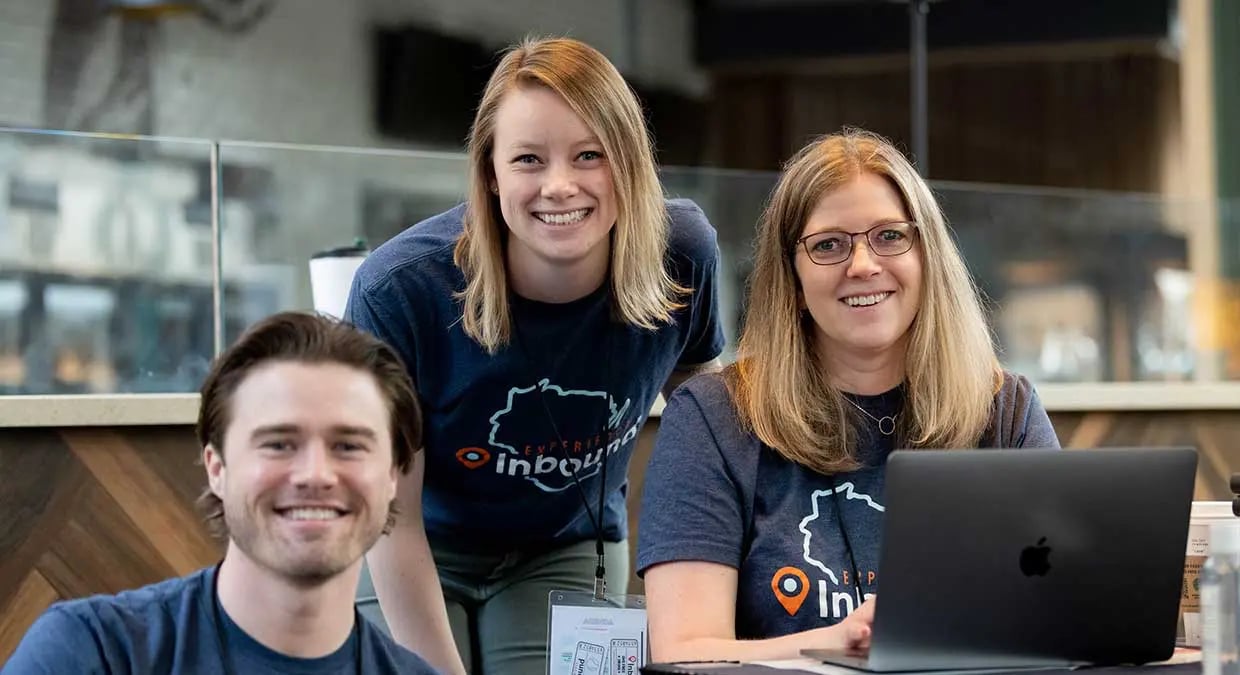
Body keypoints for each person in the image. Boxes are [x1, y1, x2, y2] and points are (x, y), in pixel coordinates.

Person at [345, 36, 725, 675]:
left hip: (568, 546)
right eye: (527, 159)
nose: (559, 185)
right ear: (490, 174)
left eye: (589, 155)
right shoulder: (400, 290)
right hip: (415, 541)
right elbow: (391, 512)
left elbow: (713, 432)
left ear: (629, 163)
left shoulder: (682, 253)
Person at [636, 129, 1061, 661]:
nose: (862, 265)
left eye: (889, 236)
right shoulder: (713, 420)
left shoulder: (1006, 410)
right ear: (791, 279)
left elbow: (1059, 616)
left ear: (927, 256)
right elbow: (683, 652)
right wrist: (835, 643)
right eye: (828, 245)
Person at [2, 312, 440, 674]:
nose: (315, 474)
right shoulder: (90, 653)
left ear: (392, 476)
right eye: (279, 444)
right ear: (217, 468)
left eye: (348, 446)